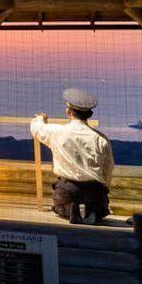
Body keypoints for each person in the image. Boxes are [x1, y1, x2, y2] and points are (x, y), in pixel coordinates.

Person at [32, 88, 113, 224]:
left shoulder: (57, 132)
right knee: (98, 207)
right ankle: (92, 211)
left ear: (69, 112)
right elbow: (108, 170)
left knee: (60, 206)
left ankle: (72, 210)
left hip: (67, 189)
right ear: (89, 115)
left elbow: (36, 128)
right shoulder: (101, 139)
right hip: (94, 190)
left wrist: (40, 118)